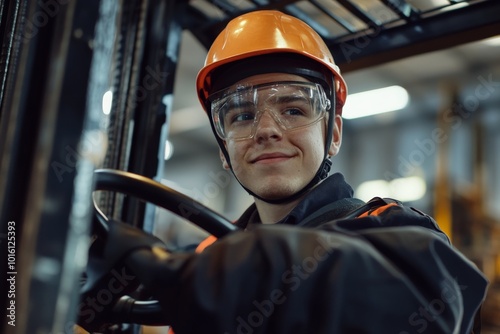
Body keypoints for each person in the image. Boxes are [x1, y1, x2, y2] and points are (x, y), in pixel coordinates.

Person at [88, 10, 488, 334]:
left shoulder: (392, 231)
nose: (265, 129)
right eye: (241, 115)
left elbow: (421, 307)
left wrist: (190, 273)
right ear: (224, 149)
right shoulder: (207, 257)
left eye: (294, 109)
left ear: (332, 134)